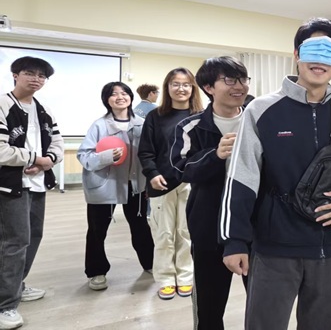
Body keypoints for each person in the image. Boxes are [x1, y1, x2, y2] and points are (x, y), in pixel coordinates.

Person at [219, 18, 331, 330]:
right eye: (313, 49)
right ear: (296, 54)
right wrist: (234, 240)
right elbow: (241, 178)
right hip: (276, 246)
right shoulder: (261, 110)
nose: (321, 60)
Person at [170, 57, 249, 330]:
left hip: (255, 224)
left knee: (263, 301)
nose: (239, 86)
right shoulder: (190, 126)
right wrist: (215, 155)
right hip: (208, 223)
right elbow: (180, 170)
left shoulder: (258, 120)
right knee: (209, 305)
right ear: (208, 87)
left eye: (243, 79)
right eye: (229, 80)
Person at [0, 57, 64, 330]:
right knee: (14, 242)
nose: (36, 79)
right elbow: (1, 150)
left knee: (33, 237)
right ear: (15, 75)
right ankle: (5, 304)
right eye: (29, 73)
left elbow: (58, 144)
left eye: (41, 75)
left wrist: (47, 160)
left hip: (38, 183)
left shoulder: (44, 110)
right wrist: (35, 159)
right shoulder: (3, 105)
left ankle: (17, 285)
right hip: (11, 184)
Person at [77, 81, 154, 291]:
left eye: (124, 93)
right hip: (104, 186)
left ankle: (151, 263)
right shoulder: (99, 125)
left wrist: (150, 183)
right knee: (97, 231)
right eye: (113, 94)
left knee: (141, 227)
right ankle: (96, 271)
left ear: (130, 97)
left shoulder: (143, 124)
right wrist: (106, 157)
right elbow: (84, 156)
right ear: (106, 100)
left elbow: (150, 155)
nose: (120, 97)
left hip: (136, 185)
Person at [138, 68, 203, 300]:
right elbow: (145, 151)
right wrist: (152, 174)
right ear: (167, 87)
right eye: (175, 84)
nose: (181, 88)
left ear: (193, 88)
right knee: (163, 234)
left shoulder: (201, 116)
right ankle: (165, 278)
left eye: (186, 84)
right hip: (161, 184)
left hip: (191, 184)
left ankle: (185, 276)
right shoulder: (155, 117)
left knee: (186, 233)